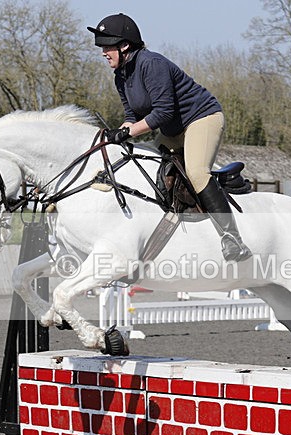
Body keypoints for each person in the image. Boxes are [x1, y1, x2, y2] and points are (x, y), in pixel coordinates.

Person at [87, 13, 251, 262]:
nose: (103, 52)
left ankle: (232, 239)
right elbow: (131, 115)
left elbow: (163, 112)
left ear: (125, 45)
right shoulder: (120, 75)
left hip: (201, 118)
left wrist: (128, 132)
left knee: (196, 173)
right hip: (173, 129)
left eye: (107, 46)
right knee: (145, 163)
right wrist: (118, 133)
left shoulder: (152, 64)